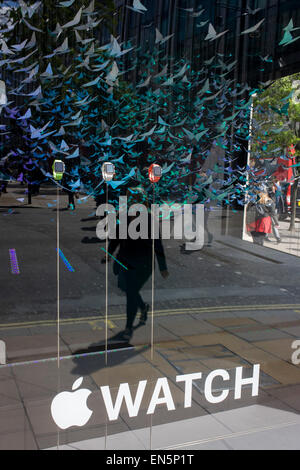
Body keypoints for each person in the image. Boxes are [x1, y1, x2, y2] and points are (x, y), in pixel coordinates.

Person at [102, 187, 169, 341]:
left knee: (131, 292)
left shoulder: (150, 220)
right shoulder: (123, 218)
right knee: (129, 290)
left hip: (143, 264)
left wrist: (163, 267)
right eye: (132, 199)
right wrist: (108, 254)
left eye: (137, 200)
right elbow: (116, 239)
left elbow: (157, 244)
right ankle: (143, 307)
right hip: (125, 261)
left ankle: (128, 327)